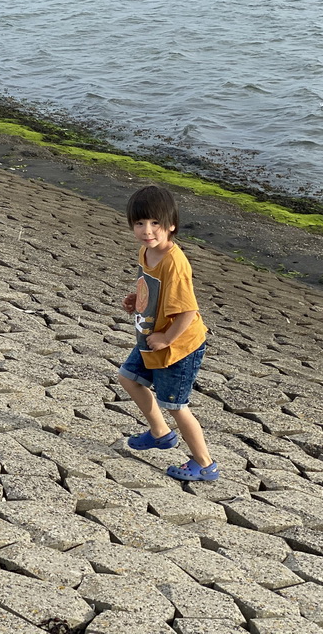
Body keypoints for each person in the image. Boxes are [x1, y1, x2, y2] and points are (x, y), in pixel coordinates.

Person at [118, 185, 218, 481]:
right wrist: (136, 300)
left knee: (176, 405)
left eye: (155, 223)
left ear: (171, 225)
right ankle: (160, 433)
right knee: (128, 377)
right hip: (152, 336)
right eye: (139, 223)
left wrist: (166, 339)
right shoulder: (146, 252)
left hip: (178, 346)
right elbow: (153, 290)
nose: (147, 230)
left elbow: (188, 311)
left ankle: (206, 463)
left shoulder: (175, 263)